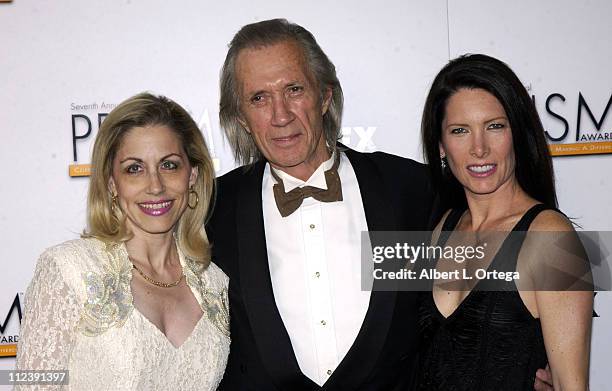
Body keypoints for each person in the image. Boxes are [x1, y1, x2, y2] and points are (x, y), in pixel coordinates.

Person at [207, 18, 435, 390]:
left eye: (294, 89)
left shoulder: (409, 189)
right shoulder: (211, 210)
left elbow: (506, 280)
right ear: (241, 118)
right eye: (259, 98)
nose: (280, 115)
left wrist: (550, 358)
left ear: (325, 96)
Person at [15, 93, 229, 390]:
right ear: (111, 183)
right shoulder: (68, 270)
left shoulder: (215, 284)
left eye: (169, 165)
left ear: (192, 175)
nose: (155, 186)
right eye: (134, 168)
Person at [417, 54, 593, 390]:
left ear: (517, 133)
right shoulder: (443, 227)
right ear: (441, 146)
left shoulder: (551, 238)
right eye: (460, 131)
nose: (479, 149)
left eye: (494, 126)